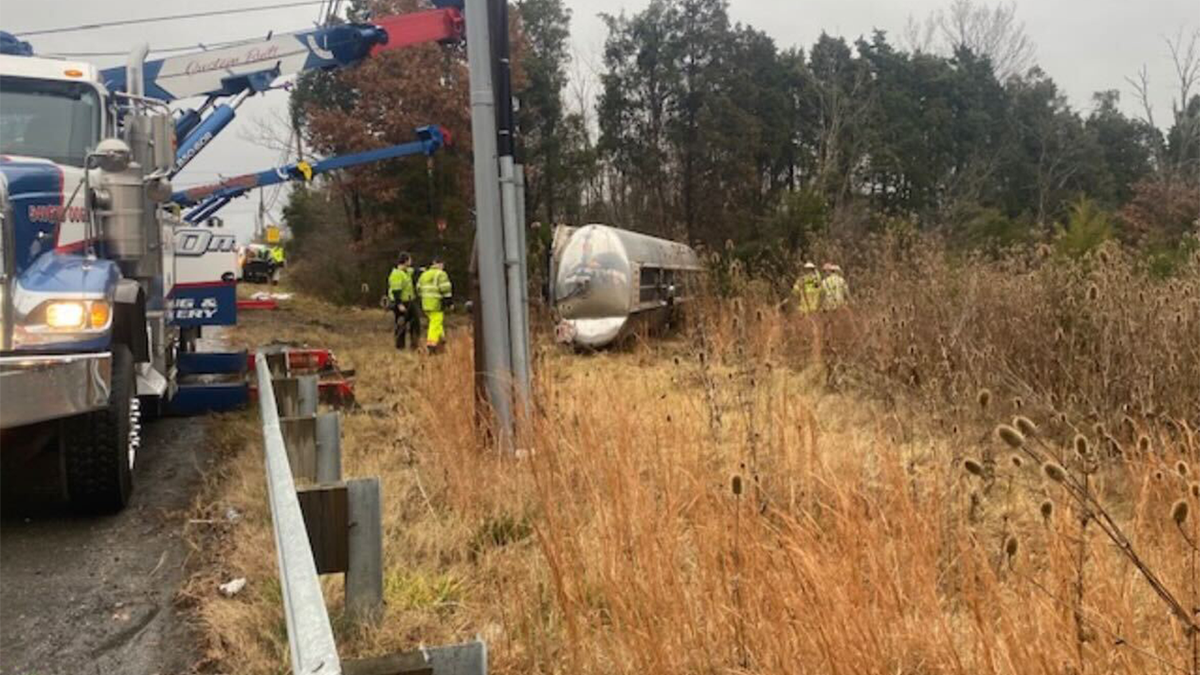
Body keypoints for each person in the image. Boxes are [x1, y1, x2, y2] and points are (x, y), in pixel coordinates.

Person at [417, 255, 453, 351]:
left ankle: (441, 340)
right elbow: (445, 289)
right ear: (440, 264)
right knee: (435, 322)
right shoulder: (441, 274)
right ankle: (431, 344)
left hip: (425, 303)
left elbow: (418, 288)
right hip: (436, 303)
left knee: (436, 321)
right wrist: (449, 302)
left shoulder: (424, 274)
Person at [387, 252, 420, 350]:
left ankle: (414, 345)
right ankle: (400, 346)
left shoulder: (406, 271)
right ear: (406, 261)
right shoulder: (397, 274)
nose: (411, 262)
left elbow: (415, 270)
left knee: (415, 323)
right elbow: (396, 291)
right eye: (410, 260)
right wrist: (399, 304)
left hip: (409, 300)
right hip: (401, 302)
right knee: (401, 324)